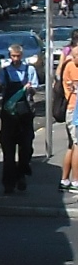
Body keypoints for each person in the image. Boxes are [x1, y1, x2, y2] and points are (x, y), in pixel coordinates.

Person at [0, 41, 40, 194]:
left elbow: (35, 89)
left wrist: (30, 89)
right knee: (8, 152)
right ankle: (8, 183)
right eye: (13, 56)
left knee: (26, 148)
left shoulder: (30, 70)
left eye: (18, 56)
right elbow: (0, 86)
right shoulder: (5, 71)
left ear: (22, 55)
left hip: (25, 116)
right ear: (10, 56)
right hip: (9, 117)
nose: (15, 58)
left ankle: (21, 174)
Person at [59, 45, 78, 191]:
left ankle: (65, 180)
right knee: (76, 145)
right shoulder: (71, 67)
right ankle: (75, 181)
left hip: (73, 110)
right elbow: (71, 88)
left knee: (72, 146)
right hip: (74, 110)